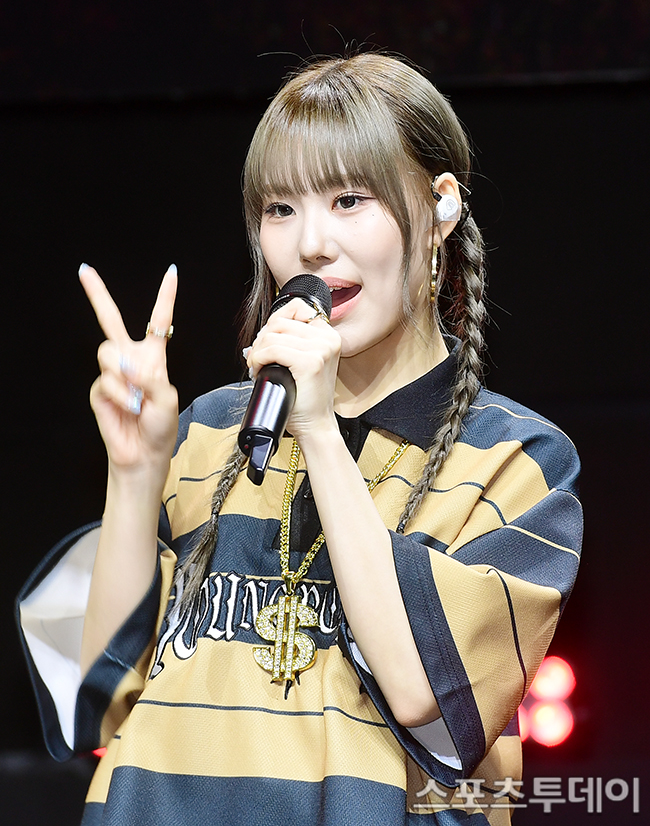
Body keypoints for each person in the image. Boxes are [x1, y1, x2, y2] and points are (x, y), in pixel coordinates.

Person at [17, 52, 582, 826]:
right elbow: (103, 694)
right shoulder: (213, 429)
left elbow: (427, 696)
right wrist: (136, 467)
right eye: (280, 208)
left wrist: (315, 427)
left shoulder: (518, 459)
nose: (311, 243)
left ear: (442, 205)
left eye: (349, 199)